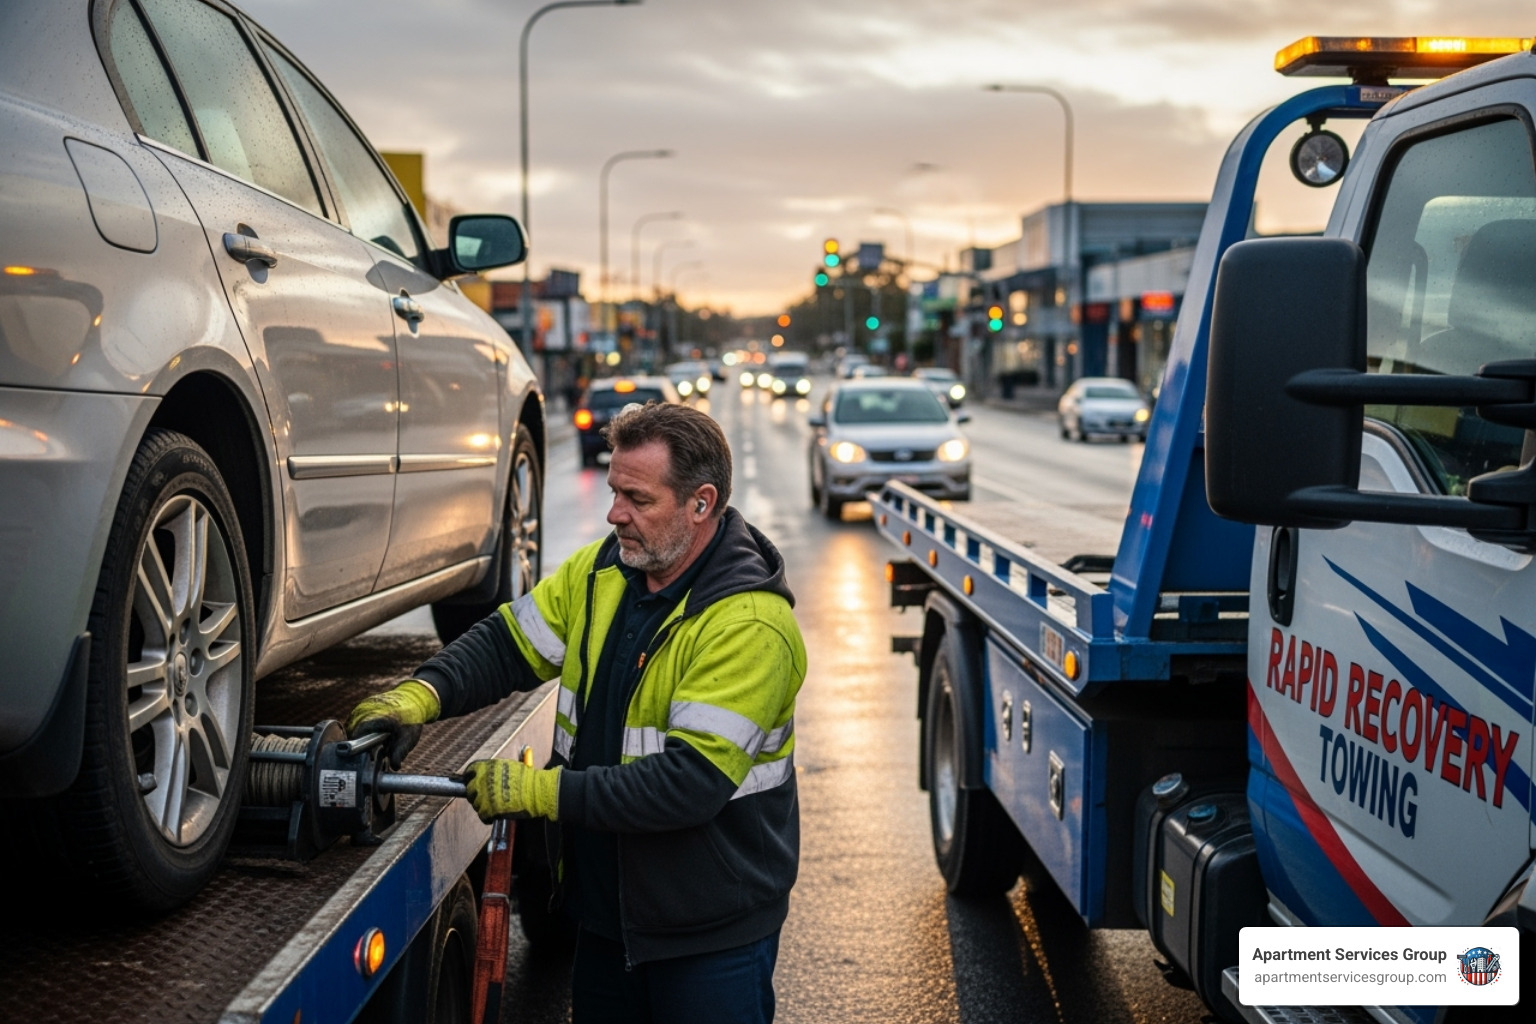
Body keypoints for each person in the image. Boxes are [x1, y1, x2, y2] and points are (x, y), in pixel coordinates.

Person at [346, 401, 806, 1024]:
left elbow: (688, 785)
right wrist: (421, 695)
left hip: (709, 937)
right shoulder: (603, 571)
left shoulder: (749, 624)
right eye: (615, 491)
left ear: (701, 504)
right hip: (605, 922)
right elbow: (508, 644)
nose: (615, 513)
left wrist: (540, 792)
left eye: (637, 499)